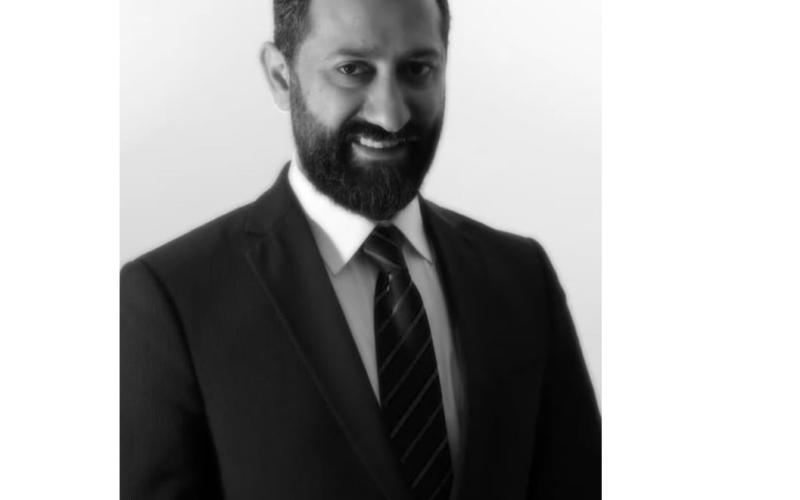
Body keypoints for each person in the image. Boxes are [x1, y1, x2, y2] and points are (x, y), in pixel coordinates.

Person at [120, 0, 600, 498]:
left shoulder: (521, 278)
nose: (391, 115)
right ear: (282, 77)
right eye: (352, 69)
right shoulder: (173, 301)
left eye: (418, 69)